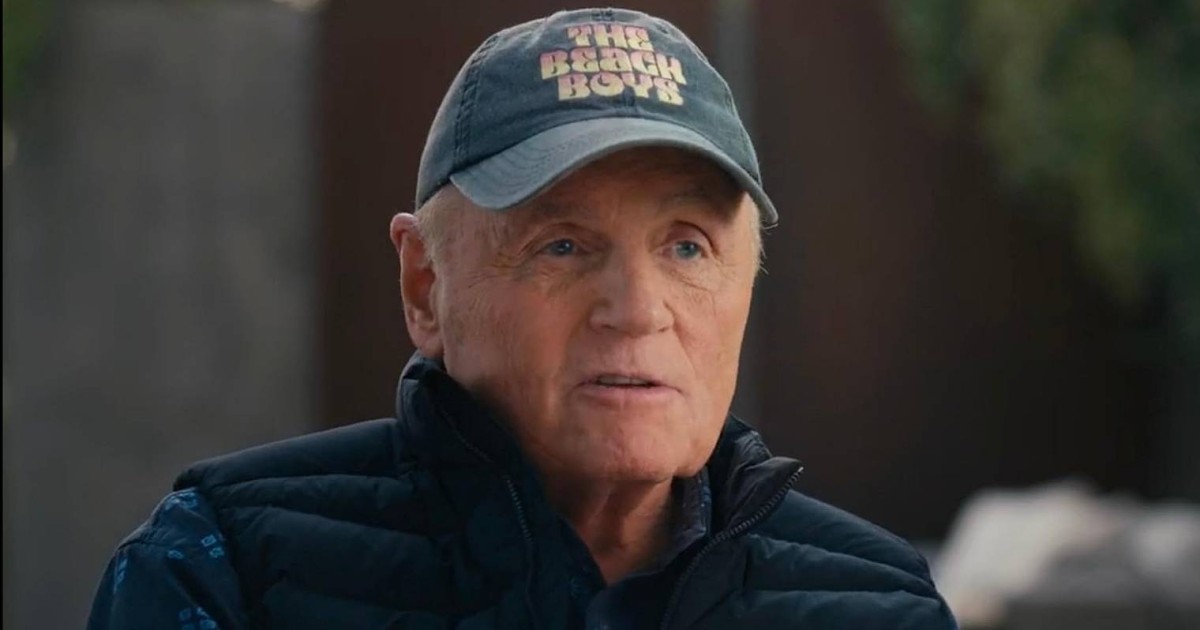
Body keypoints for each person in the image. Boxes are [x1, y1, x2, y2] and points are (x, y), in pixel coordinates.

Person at [87, 8, 957, 629]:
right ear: (425, 285)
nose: (637, 312)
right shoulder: (224, 571)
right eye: (563, 246)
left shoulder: (880, 603)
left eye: (688, 248)